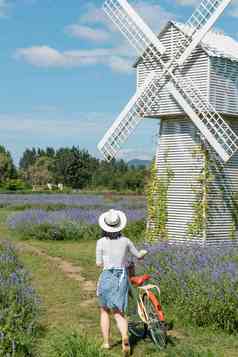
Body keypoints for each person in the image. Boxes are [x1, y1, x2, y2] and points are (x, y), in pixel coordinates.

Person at [96, 209, 147, 356]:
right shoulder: (126, 241)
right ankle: (125, 337)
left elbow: (98, 264)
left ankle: (106, 343)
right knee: (119, 313)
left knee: (104, 310)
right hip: (121, 278)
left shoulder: (100, 242)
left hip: (107, 277)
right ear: (119, 225)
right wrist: (142, 253)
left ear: (105, 226)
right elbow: (138, 256)